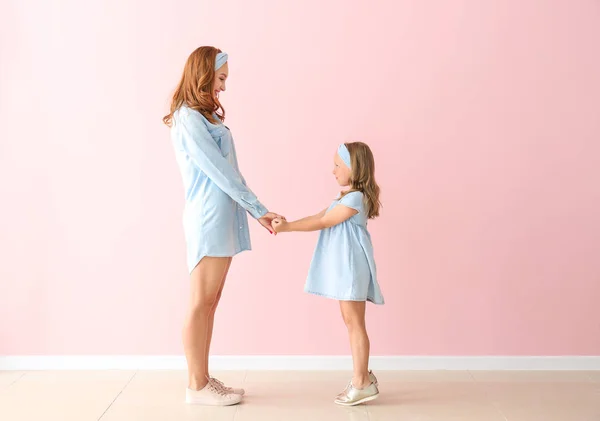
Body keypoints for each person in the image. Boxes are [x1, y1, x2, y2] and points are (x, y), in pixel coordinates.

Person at [163, 46, 284, 406]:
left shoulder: (203, 117)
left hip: (222, 216)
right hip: (208, 218)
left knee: (211, 302)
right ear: (202, 74)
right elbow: (219, 172)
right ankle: (195, 386)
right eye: (221, 78)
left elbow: (230, 170)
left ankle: (202, 378)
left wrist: (255, 209)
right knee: (200, 302)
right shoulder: (188, 118)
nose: (224, 87)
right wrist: (258, 209)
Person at [272, 142, 384, 406]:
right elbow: (320, 215)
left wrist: (287, 228)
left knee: (354, 323)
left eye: (337, 165)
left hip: (352, 269)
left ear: (354, 168)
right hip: (346, 269)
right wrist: (288, 224)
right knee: (351, 322)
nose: (332, 171)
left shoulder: (355, 199)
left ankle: (362, 382)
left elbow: (324, 221)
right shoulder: (344, 197)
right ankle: (363, 376)